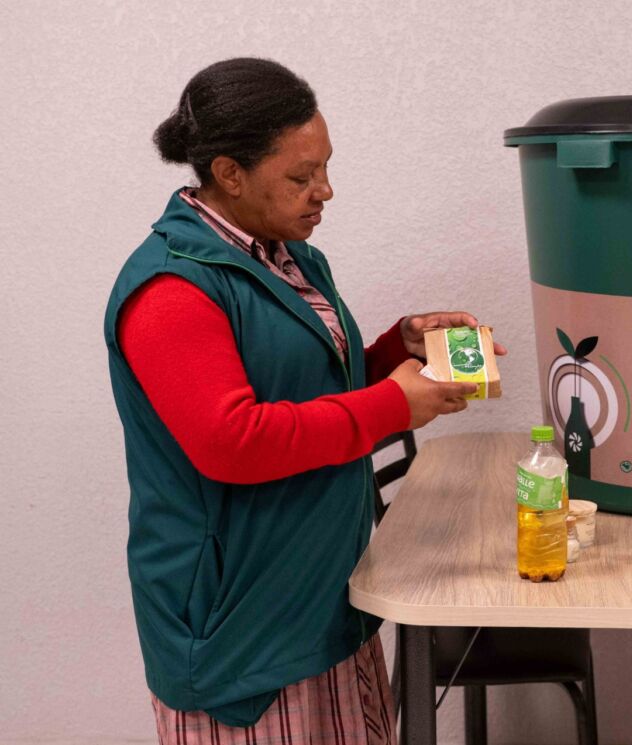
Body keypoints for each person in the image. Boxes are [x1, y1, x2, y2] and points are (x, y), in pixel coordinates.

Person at [104, 57, 503, 744]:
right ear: (230, 173)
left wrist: (395, 349)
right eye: (301, 176)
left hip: (321, 600)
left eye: (325, 168)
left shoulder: (290, 257)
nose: (325, 190)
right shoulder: (171, 290)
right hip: (243, 636)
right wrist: (392, 405)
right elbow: (233, 442)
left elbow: (308, 390)